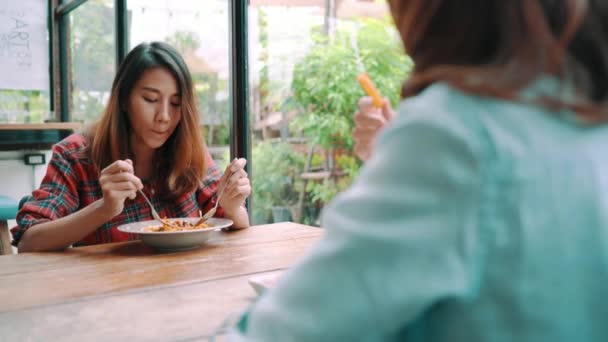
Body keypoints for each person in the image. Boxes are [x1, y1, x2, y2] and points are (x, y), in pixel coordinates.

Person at [229, 0, 608, 340]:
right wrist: (391, 159)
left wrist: (413, 156)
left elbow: (285, 330)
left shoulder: (456, 133)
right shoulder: (586, 114)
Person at [12, 42, 251, 253]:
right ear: (124, 98)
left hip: (181, 289)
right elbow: (29, 242)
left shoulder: (188, 150)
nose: (164, 116)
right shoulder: (76, 154)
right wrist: (104, 208)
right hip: (106, 293)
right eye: (150, 99)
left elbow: (233, 221)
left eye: (176, 103)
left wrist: (232, 205)